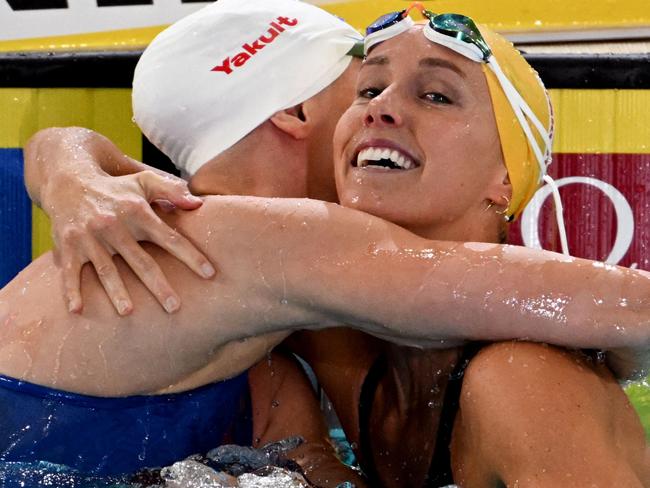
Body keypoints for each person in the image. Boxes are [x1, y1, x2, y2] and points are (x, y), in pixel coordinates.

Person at [21, 0, 650, 486]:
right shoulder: (299, 293)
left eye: (435, 95)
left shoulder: (519, 382)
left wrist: (62, 164)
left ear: (507, 176)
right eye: (365, 88)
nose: (379, 110)